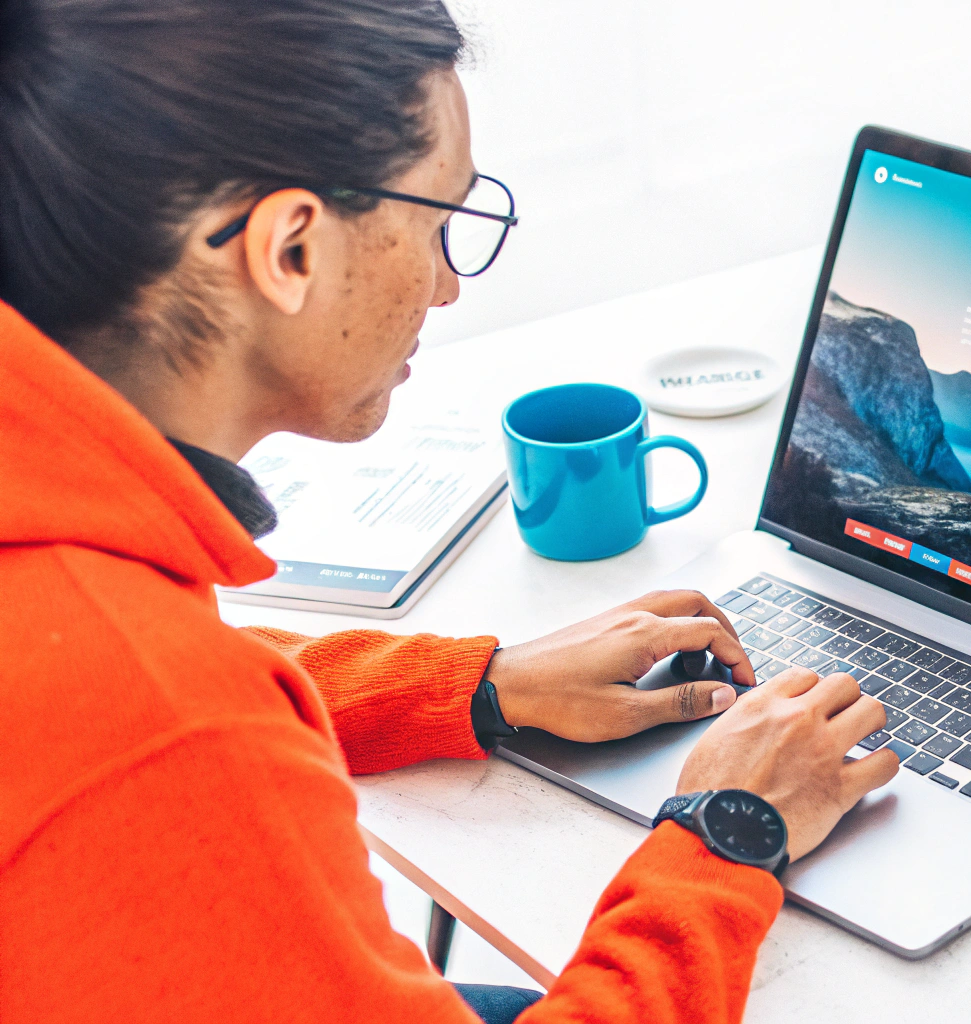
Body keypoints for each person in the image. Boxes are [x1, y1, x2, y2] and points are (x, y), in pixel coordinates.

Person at [0, 1, 899, 1022]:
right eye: (439, 224)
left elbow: (156, 678)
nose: (444, 288)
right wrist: (727, 829)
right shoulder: (170, 734)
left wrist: (480, 683)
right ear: (289, 247)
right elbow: (162, 720)